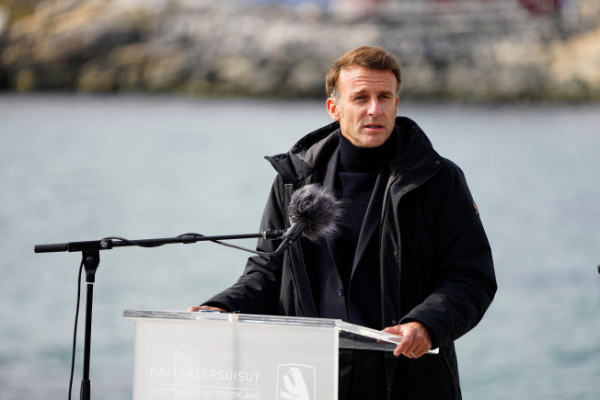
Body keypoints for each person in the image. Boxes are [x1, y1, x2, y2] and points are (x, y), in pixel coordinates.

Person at [189, 46, 497, 400]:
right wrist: (222, 308)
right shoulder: (294, 180)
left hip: (409, 380)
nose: (374, 109)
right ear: (334, 108)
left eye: (384, 97)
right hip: (310, 381)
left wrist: (426, 324)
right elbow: (269, 271)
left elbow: (471, 277)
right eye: (361, 98)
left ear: (397, 103)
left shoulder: (438, 179)